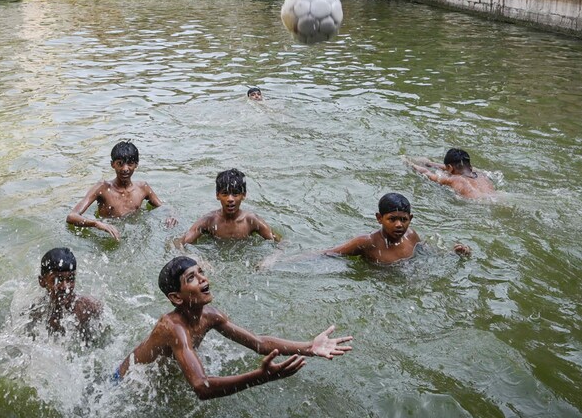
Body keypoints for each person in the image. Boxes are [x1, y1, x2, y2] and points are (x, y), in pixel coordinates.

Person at [114, 256, 353, 399]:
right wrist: (259, 377)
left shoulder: (211, 316)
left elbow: (259, 343)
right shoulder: (173, 328)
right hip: (124, 382)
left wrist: (309, 347)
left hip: (159, 373)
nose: (203, 279)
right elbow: (201, 387)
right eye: (192, 278)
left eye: (201, 273)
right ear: (176, 298)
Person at [67, 141, 175, 240]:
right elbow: (71, 216)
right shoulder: (102, 188)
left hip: (134, 235)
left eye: (130, 163)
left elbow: (164, 207)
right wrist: (97, 224)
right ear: (112, 164)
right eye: (120, 163)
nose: (125, 168)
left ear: (136, 164)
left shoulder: (143, 188)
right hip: (106, 237)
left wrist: (171, 216)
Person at [322, 193, 470, 264]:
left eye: (403, 219)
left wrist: (454, 253)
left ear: (410, 219)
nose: (399, 225)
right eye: (392, 219)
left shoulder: (411, 235)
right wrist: (300, 260)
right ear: (379, 218)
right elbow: (329, 253)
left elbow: (428, 253)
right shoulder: (366, 242)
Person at [177, 168, 280, 245]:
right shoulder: (209, 221)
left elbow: (281, 243)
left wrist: (270, 259)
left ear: (243, 195)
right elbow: (179, 244)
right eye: (225, 194)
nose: (230, 199)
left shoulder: (251, 221)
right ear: (217, 195)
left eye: (235, 194)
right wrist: (196, 259)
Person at [31, 247, 102, 338]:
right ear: (42, 282)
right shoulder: (35, 314)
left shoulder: (89, 308)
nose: (65, 287)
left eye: (71, 279)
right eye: (57, 280)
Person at [406, 148, 495, 200]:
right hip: (495, 198)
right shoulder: (482, 175)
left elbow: (427, 173)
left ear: (450, 168)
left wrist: (410, 164)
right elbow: (461, 167)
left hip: (477, 204)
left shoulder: (454, 179)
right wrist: (431, 164)